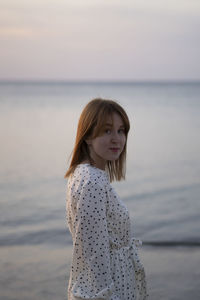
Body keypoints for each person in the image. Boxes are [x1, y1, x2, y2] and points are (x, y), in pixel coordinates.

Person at [65, 98, 148, 300]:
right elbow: (95, 254)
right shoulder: (92, 181)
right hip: (108, 290)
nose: (117, 139)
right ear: (87, 136)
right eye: (107, 130)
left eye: (121, 131)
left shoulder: (84, 173)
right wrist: (108, 296)